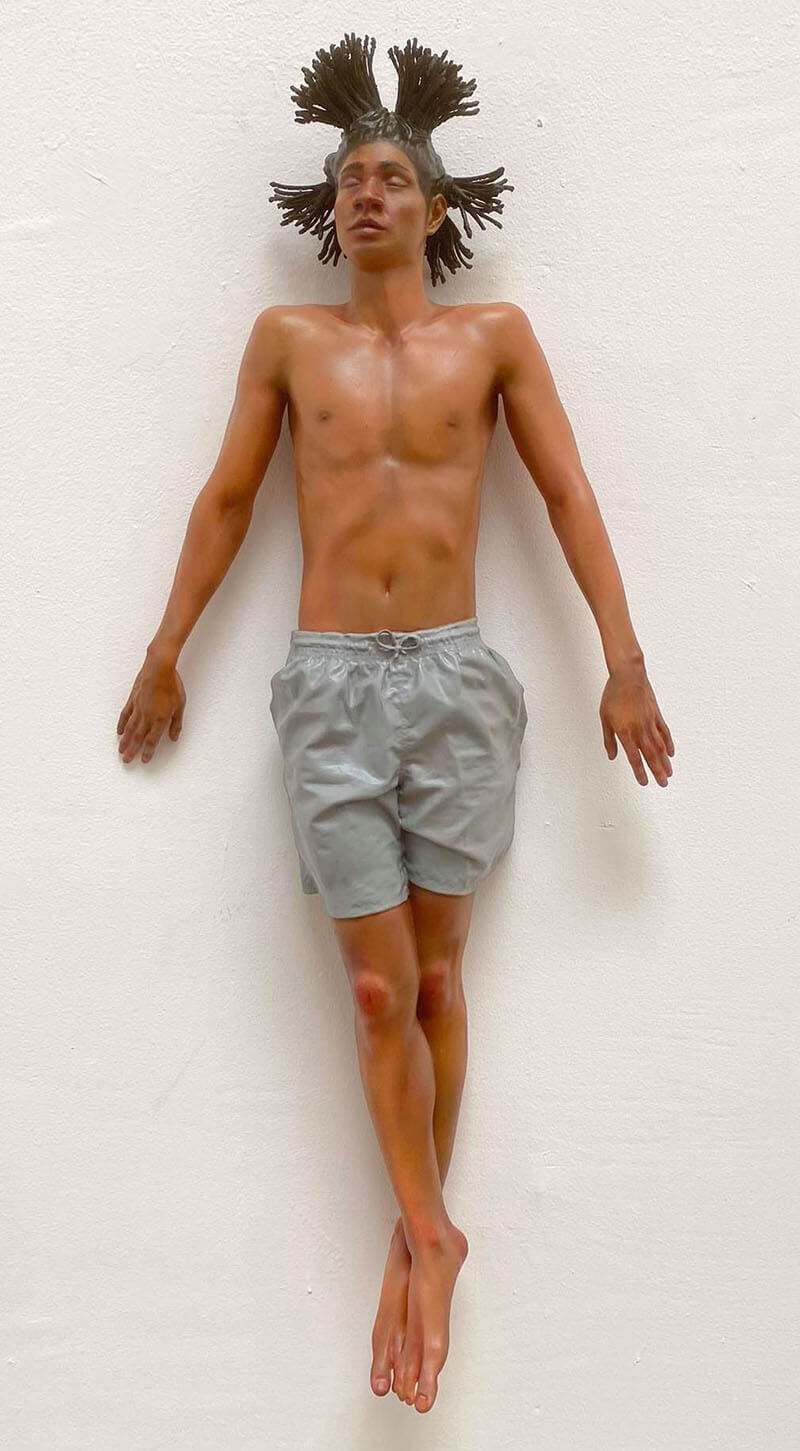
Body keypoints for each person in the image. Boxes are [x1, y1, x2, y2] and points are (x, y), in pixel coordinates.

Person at [116, 33, 675, 1416]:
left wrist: (623, 660)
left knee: (435, 984)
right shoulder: (285, 340)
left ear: (434, 206)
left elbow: (570, 495)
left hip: (455, 680)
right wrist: (166, 651)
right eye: (350, 178)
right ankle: (435, 1232)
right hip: (329, 686)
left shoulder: (495, 338)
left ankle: (411, 1243)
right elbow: (228, 499)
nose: (368, 193)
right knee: (374, 992)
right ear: (331, 210)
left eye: (391, 177)